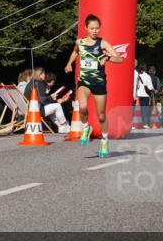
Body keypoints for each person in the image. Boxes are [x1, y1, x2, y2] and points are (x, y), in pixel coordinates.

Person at [64, 14, 124, 157]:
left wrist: (108, 57)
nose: (95, 31)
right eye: (92, 28)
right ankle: (86, 128)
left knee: (101, 116)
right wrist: (69, 64)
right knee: (82, 107)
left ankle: (104, 141)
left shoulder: (103, 43)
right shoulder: (80, 42)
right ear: (86, 28)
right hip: (84, 82)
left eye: (97, 28)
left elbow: (120, 59)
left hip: (99, 83)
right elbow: (75, 52)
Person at [134, 64, 153, 128]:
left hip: (137, 94)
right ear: (145, 69)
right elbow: (150, 87)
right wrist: (153, 90)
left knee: (135, 110)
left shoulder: (136, 75)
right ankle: (145, 124)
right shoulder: (147, 76)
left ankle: (134, 124)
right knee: (144, 110)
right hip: (145, 95)